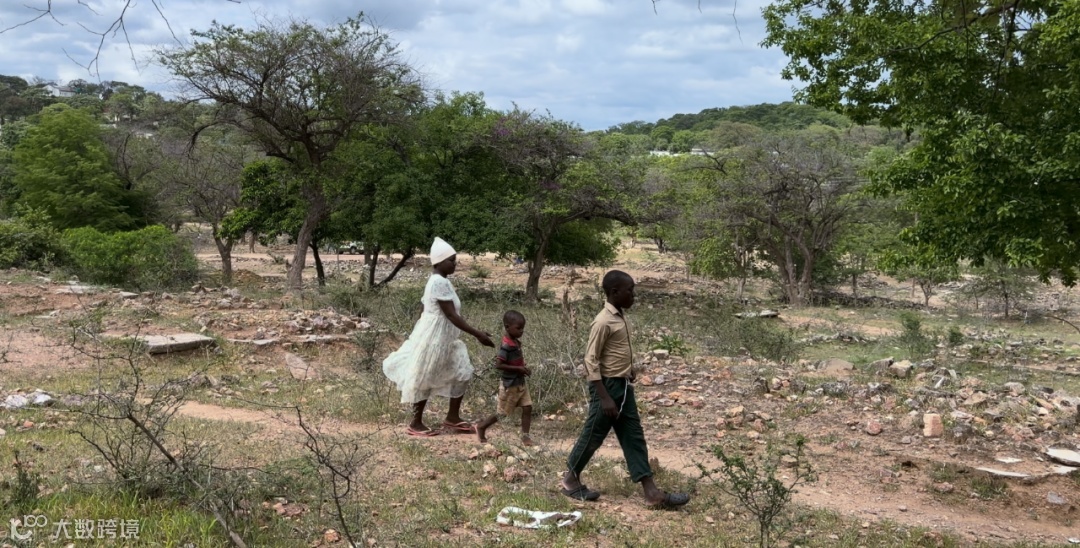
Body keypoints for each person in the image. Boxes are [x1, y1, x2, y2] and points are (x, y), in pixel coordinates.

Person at [560, 270, 690, 509]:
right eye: (630, 291)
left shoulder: (619, 317)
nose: (633, 295)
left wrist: (628, 370)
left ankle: (651, 492)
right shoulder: (603, 321)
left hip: (623, 386)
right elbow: (590, 360)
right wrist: (604, 397)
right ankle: (570, 480)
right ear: (614, 292)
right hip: (607, 387)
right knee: (593, 434)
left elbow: (614, 353)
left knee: (633, 436)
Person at [382, 237, 495, 436]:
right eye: (451, 260)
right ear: (439, 262)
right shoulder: (438, 282)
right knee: (425, 375)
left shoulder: (441, 281)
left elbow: (427, 308)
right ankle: (415, 423)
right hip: (435, 339)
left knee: (462, 371)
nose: (454, 264)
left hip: (445, 338)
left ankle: (452, 417)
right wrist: (477, 334)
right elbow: (450, 315)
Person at [475, 310, 534, 446]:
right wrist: (518, 369)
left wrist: (523, 369)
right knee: (502, 413)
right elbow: (499, 365)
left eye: (523, 328)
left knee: (527, 407)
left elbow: (517, 362)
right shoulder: (506, 345)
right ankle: (482, 426)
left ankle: (525, 436)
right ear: (507, 327)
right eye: (518, 328)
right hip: (510, 384)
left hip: (520, 382)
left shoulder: (515, 342)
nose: (521, 331)